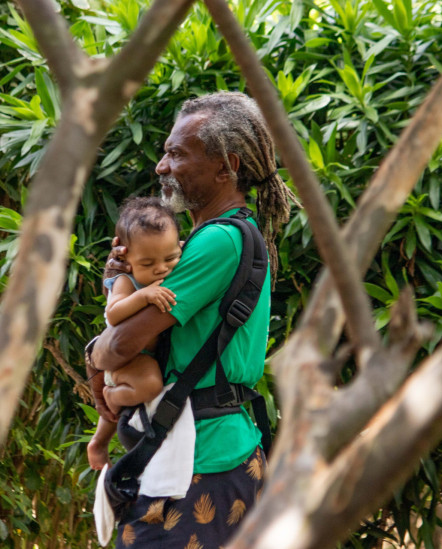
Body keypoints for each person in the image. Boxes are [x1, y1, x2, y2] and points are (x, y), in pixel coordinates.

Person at [87, 91, 293, 548]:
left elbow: (120, 346)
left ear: (227, 166)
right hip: (200, 452)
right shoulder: (209, 238)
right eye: (165, 152)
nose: (162, 166)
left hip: (205, 461)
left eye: (177, 153)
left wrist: (97, 352)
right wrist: (116, 281)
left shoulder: (217, 242)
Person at [87, 197, 181, 471]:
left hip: (144, 354)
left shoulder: (172, 263)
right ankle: (111, 397)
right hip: (127, 358)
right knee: (149, 385)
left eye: (170, 258)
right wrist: (144, 295)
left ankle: (98, 442)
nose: (161, 269)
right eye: (148, 263)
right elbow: (114, 314)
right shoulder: (127, 280)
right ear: (125, 258)